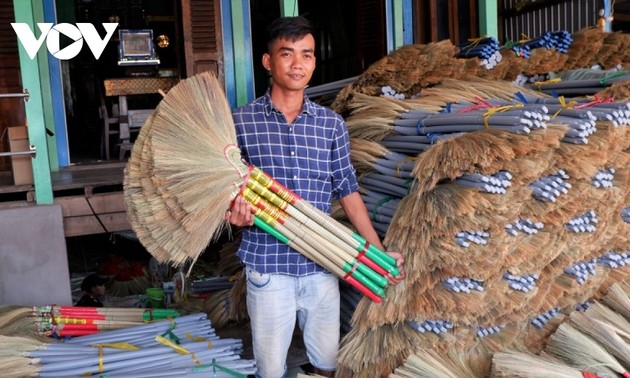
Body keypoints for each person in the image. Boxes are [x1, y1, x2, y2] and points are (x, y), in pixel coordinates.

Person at [228, 16, 406, 378]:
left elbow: (347, 189)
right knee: (271, 368)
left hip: (323, 263)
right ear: (268, 61)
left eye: (307, 55)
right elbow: (225, 193)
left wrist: (376, 251)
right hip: (268, 266)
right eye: (287, 53)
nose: (298, 64)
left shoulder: (331, 125)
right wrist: (234, 213)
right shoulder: (239, 123)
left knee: (326, 363)